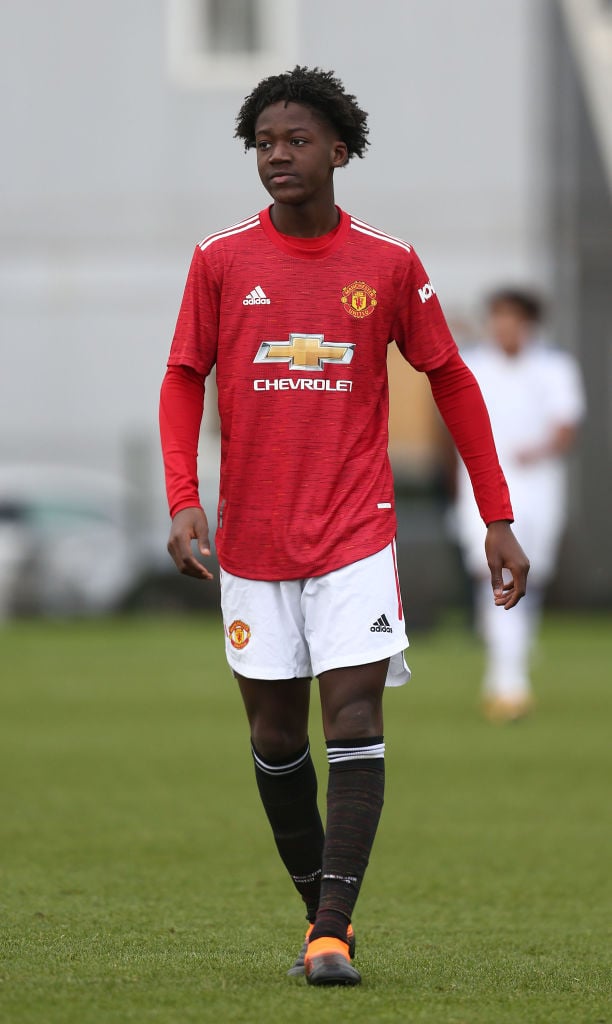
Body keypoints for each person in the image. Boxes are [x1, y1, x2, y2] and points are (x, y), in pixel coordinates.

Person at [159, 66, 529, 986]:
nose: (277, 155)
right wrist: (182, 497)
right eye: (263, 143)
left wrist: (497, 515)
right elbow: (181, 377)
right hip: (251, 540)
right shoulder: (220, 261)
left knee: (353, 715)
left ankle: (331, 932)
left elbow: (451, 377)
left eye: (295, 140)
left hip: (356, 533)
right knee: (277, 738)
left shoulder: (389, 264)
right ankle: (324, 920)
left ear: (339, 151)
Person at [454, 288, 585, 722]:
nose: (504, 327)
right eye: (497, 317)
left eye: (512, 318)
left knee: (529, 577)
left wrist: (539, 449)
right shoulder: (473, 364)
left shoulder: (555, 367)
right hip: (483, 488)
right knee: (490, 573)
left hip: (537, 489)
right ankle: (507, 681)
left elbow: (566, 427)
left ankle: (508, 666)